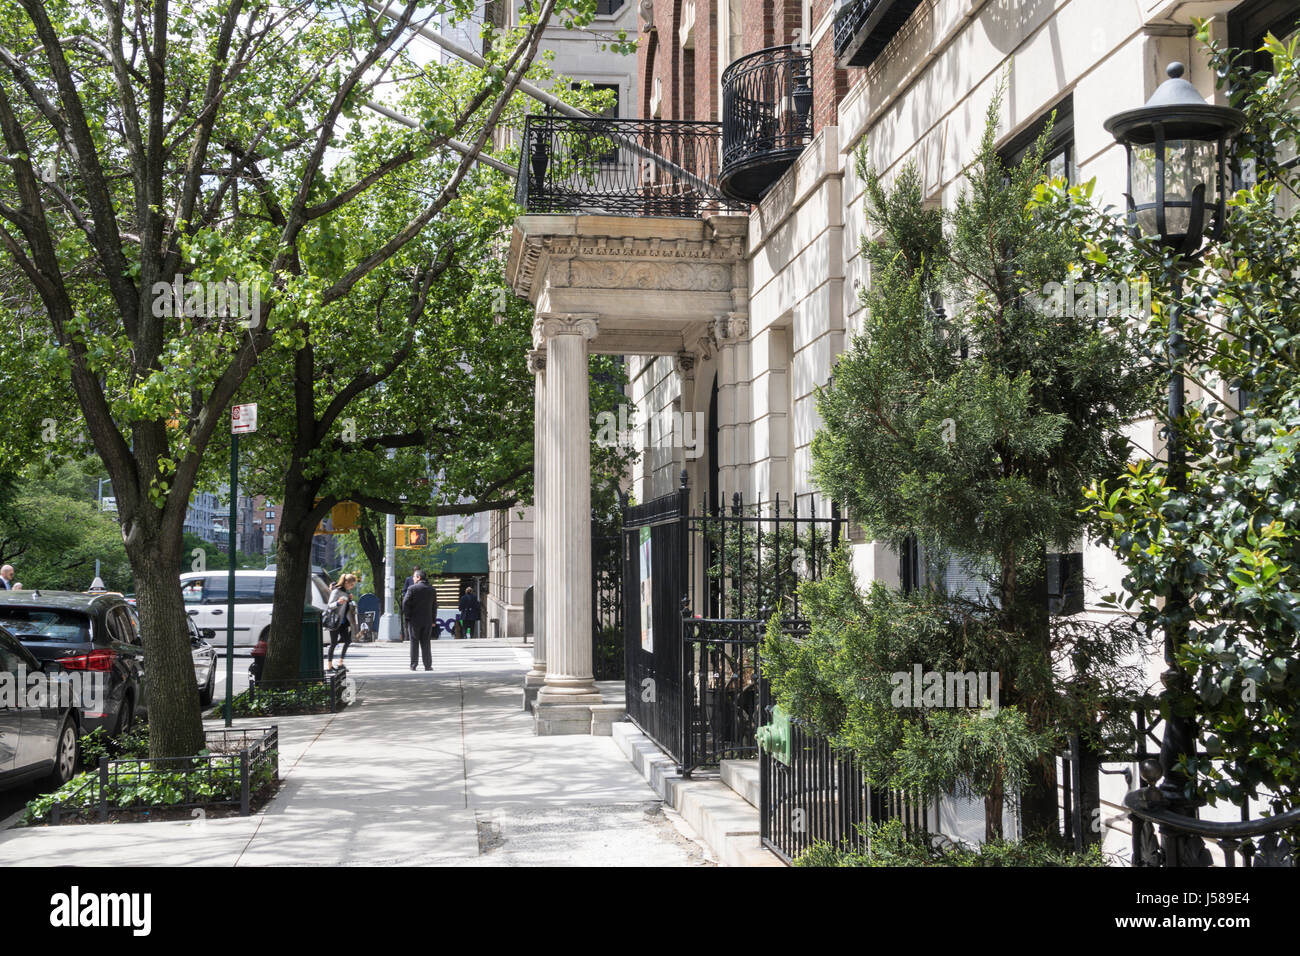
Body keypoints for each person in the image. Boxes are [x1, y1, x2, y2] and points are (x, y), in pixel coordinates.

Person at [402, 569, 438, 671]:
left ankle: (413, 665)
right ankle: (428, 665)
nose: (413, 578)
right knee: (426, 642)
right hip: (427, 620)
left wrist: (407, 616)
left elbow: (405, 603)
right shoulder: (432, 590)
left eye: (414, 577)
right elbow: (434, 606)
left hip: (414, 620)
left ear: (418, 577)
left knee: (414, 642)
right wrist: (433, 620)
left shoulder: (412, 589)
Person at [327, 573, 358, 670]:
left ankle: (340, 663)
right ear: (346, 582)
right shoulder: (336, 591)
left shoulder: (346, 593)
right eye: (351, 584)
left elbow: (347, 608)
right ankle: (329, 666)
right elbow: (330, 605)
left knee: (348, 641)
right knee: (333, 643)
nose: (352, 587)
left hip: (343, 622)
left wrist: (349, 600)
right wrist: (338, 602)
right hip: (335, 621)